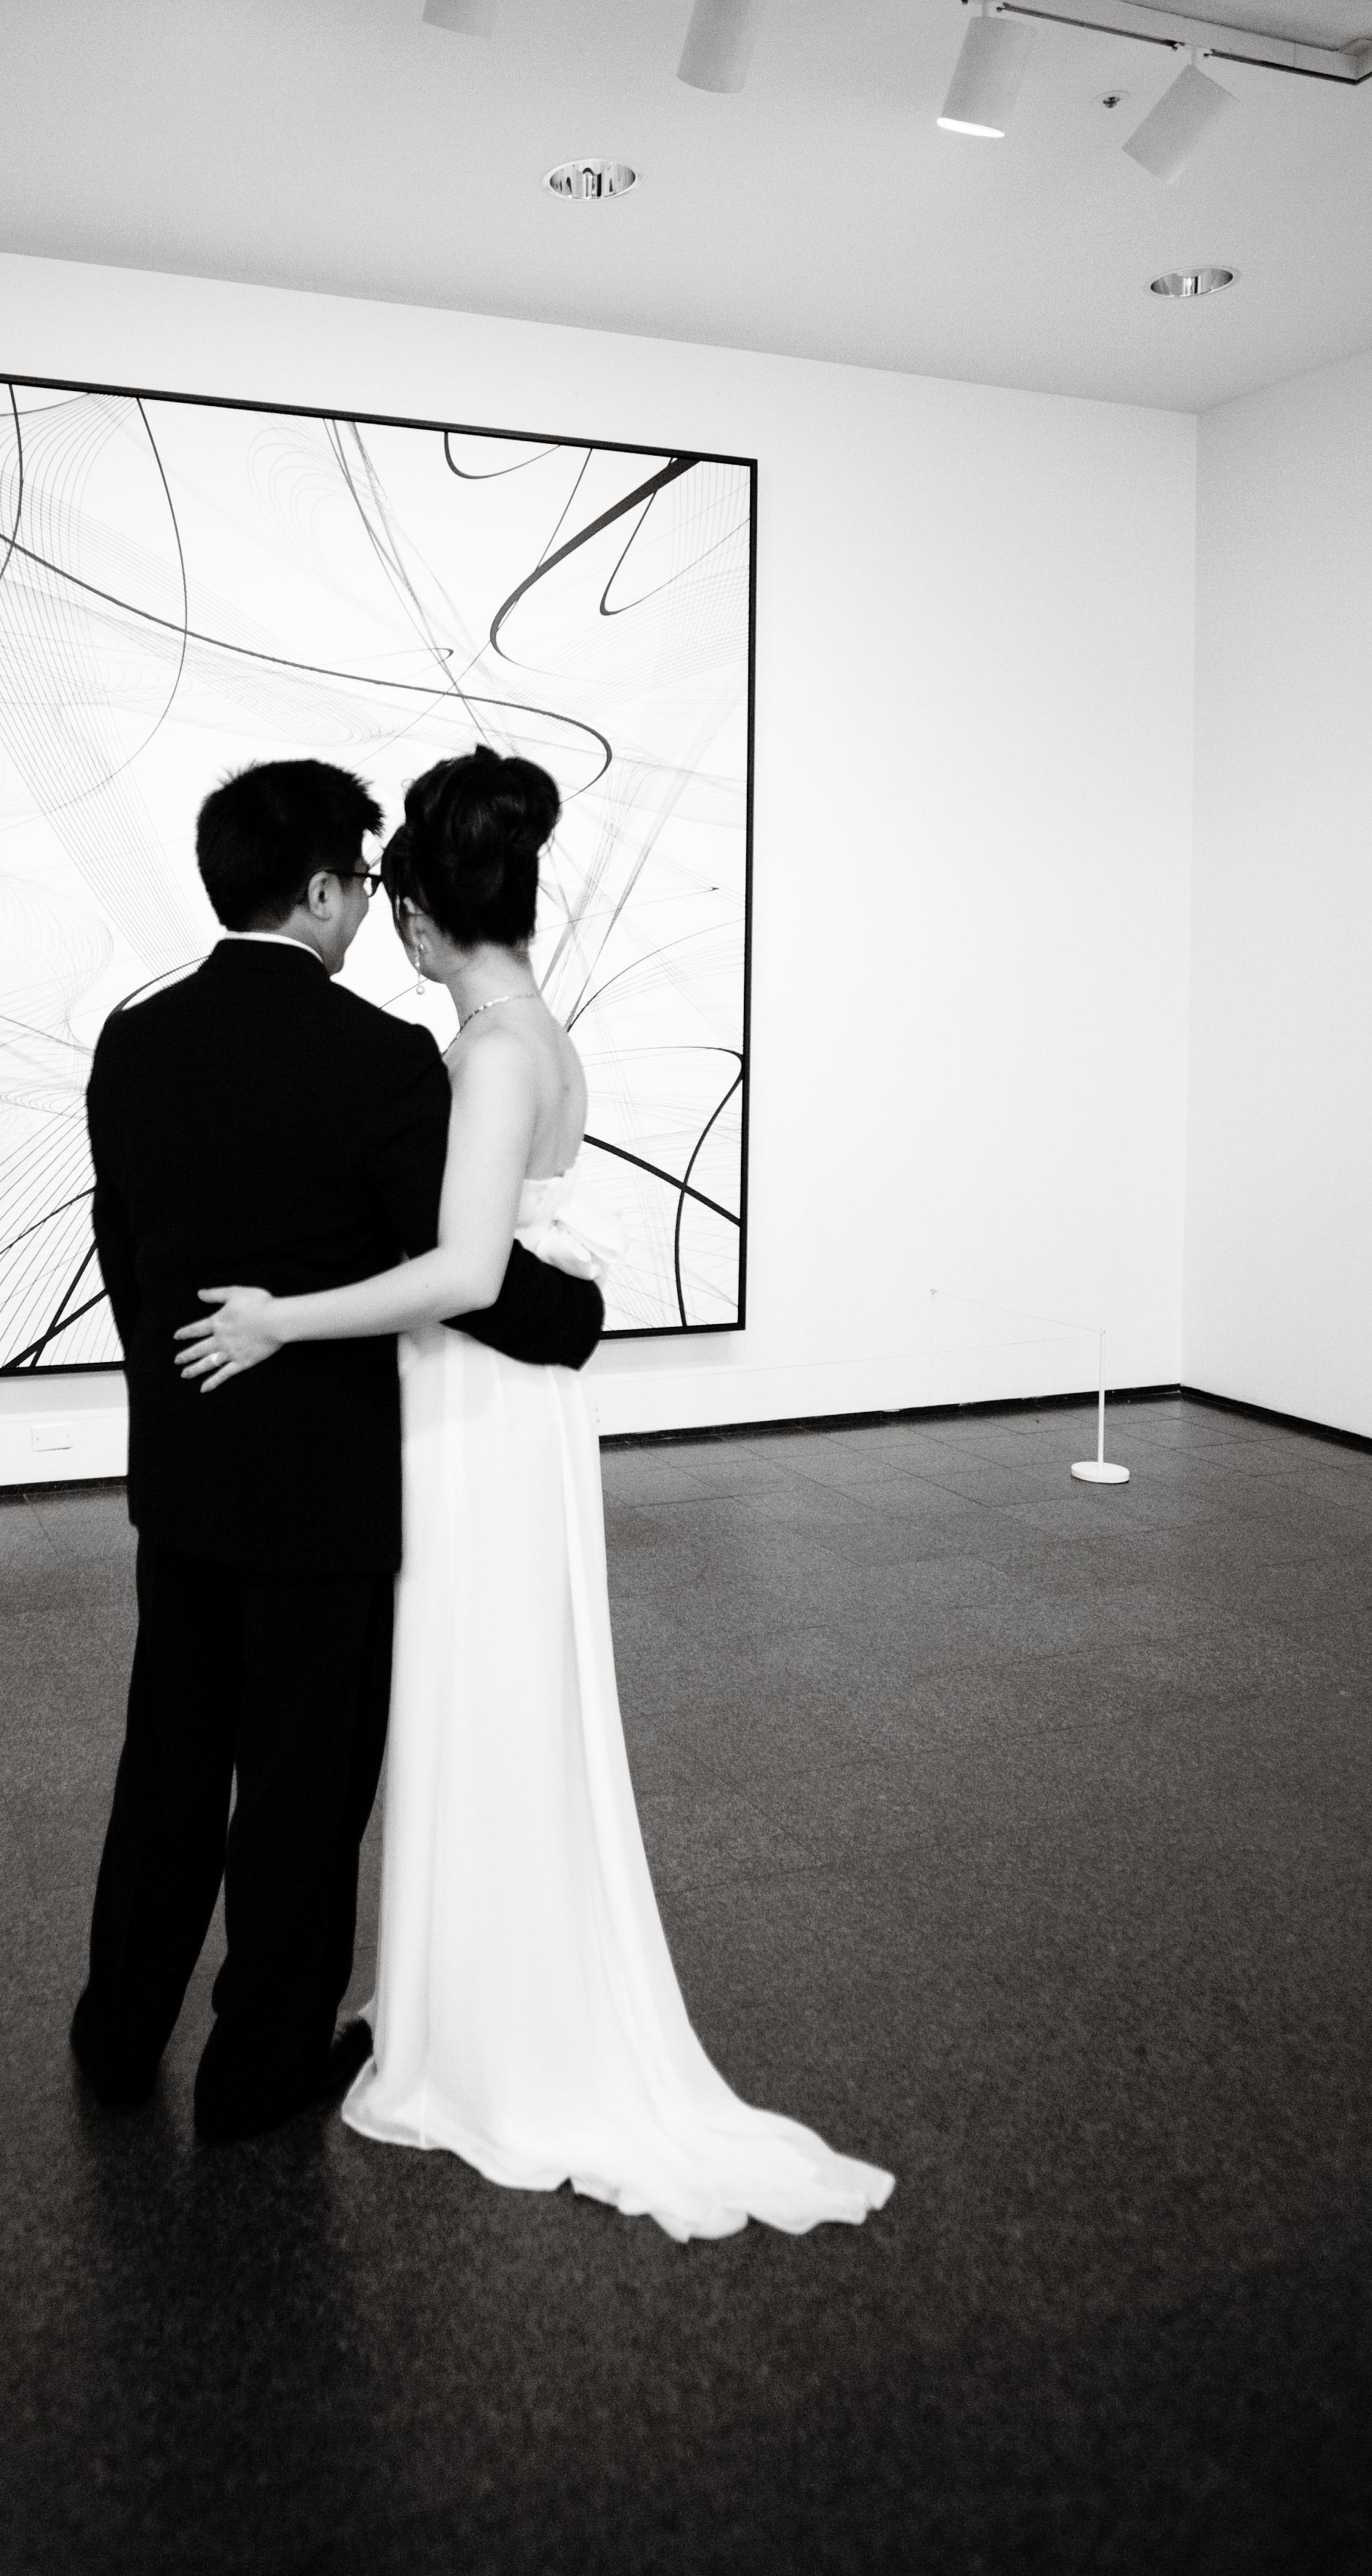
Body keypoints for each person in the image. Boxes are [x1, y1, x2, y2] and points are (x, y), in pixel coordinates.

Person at [179, 748, 894, 2239]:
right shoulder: (531, 1030)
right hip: (510, 1407)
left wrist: (274, 1317)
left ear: (429, 918)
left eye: (396, 906)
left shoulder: (492, 1052)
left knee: (479, 1686)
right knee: (491, 1685)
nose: (387, 926)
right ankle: (454, 1980)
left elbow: (465, 1273)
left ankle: (485, 2020)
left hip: (481, 1416)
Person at [70, 757, 605, 2146]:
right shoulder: (375, 1061)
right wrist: (581, 1312)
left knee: (168, 1764)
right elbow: (456, 1258)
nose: (374, 907)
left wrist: (179, 1398)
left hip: (184, 1477)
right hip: (328, 1490)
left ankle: (119, 2035)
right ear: (317, 892)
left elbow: (124, 1249)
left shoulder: (132, 1041)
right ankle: (256, 2073)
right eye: (359, 883)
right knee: (302, 1793)